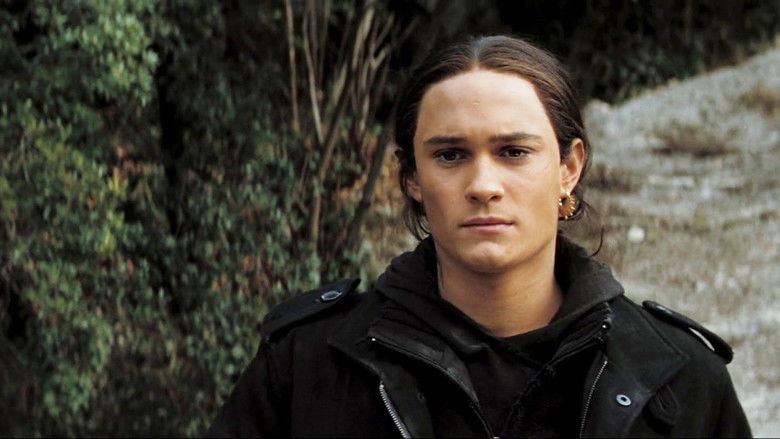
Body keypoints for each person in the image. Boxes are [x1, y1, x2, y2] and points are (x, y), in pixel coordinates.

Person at [207, 35, 751, 438]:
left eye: (514, 152)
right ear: (412, 177)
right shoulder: (305, 369)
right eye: (450, 155)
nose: (483, 185)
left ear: (569, 168)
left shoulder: (678, 378)